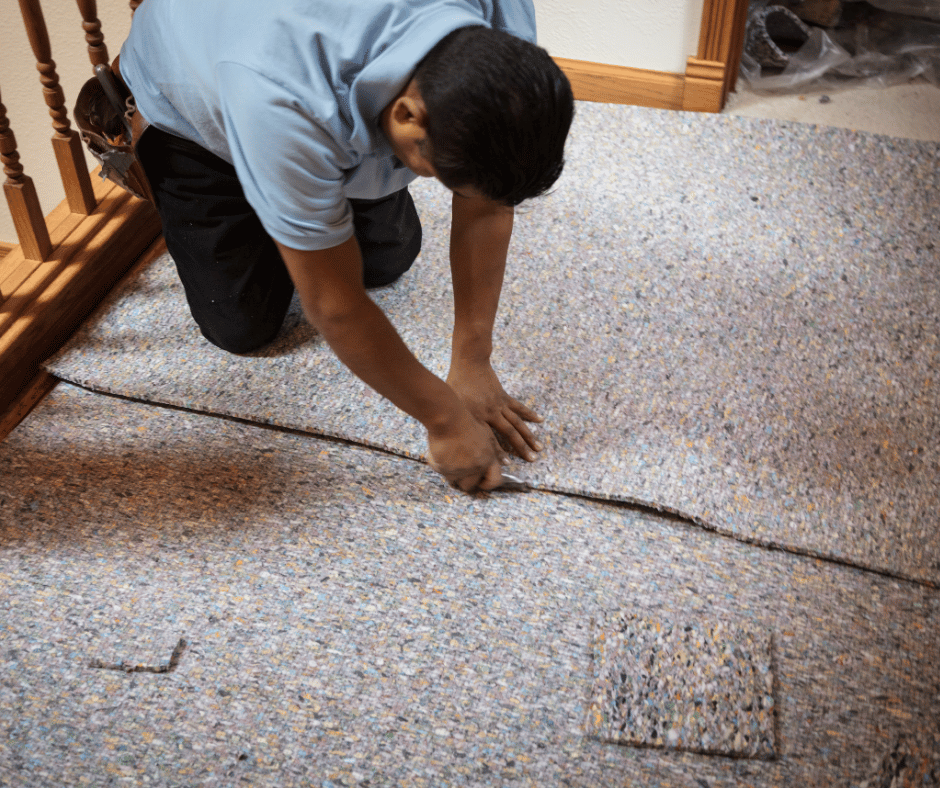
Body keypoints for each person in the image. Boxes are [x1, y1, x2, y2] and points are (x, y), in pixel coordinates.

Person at [117, 0, 574, 492]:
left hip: (297, 102)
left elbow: (487, 204)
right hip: (192, 115)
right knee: (241, 325)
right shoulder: (279, 95)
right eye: (440, 175)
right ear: (407, 114)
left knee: (389, 258)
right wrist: (445, 421)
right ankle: (269, 188)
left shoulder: (500, 29)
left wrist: (473, 361)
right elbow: (335, 307)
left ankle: (296, 193)